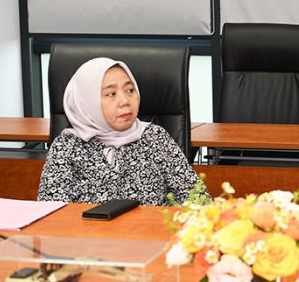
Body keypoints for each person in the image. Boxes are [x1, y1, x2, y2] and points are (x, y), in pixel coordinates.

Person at [38, 57, 208, 206]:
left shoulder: (155, 137)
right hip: (87, 233)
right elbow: (52, 213)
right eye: (111, 94)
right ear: (87, 102)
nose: (125, 101)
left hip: (151, 231)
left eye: (130, 90)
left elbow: (199, 201)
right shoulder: (67, 146)